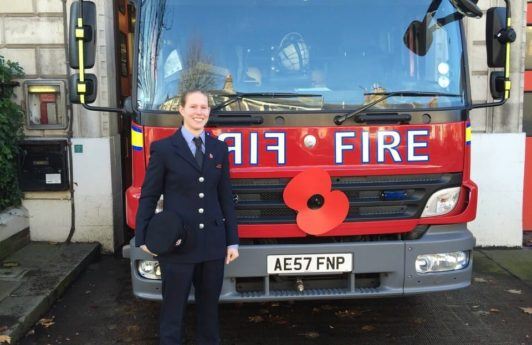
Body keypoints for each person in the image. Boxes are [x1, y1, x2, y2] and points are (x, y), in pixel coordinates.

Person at [135, 89, 239, 345]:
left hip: (212, 244)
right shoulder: (163, 149)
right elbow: (149, 195)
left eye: (204, 108)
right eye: (193, 107)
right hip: (178, 244)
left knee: (209, 313)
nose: (199, 112)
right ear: (181, 110)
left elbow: (225, 196)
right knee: (173, 311)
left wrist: (232, 240)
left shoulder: (218, 148)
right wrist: (143, 237)